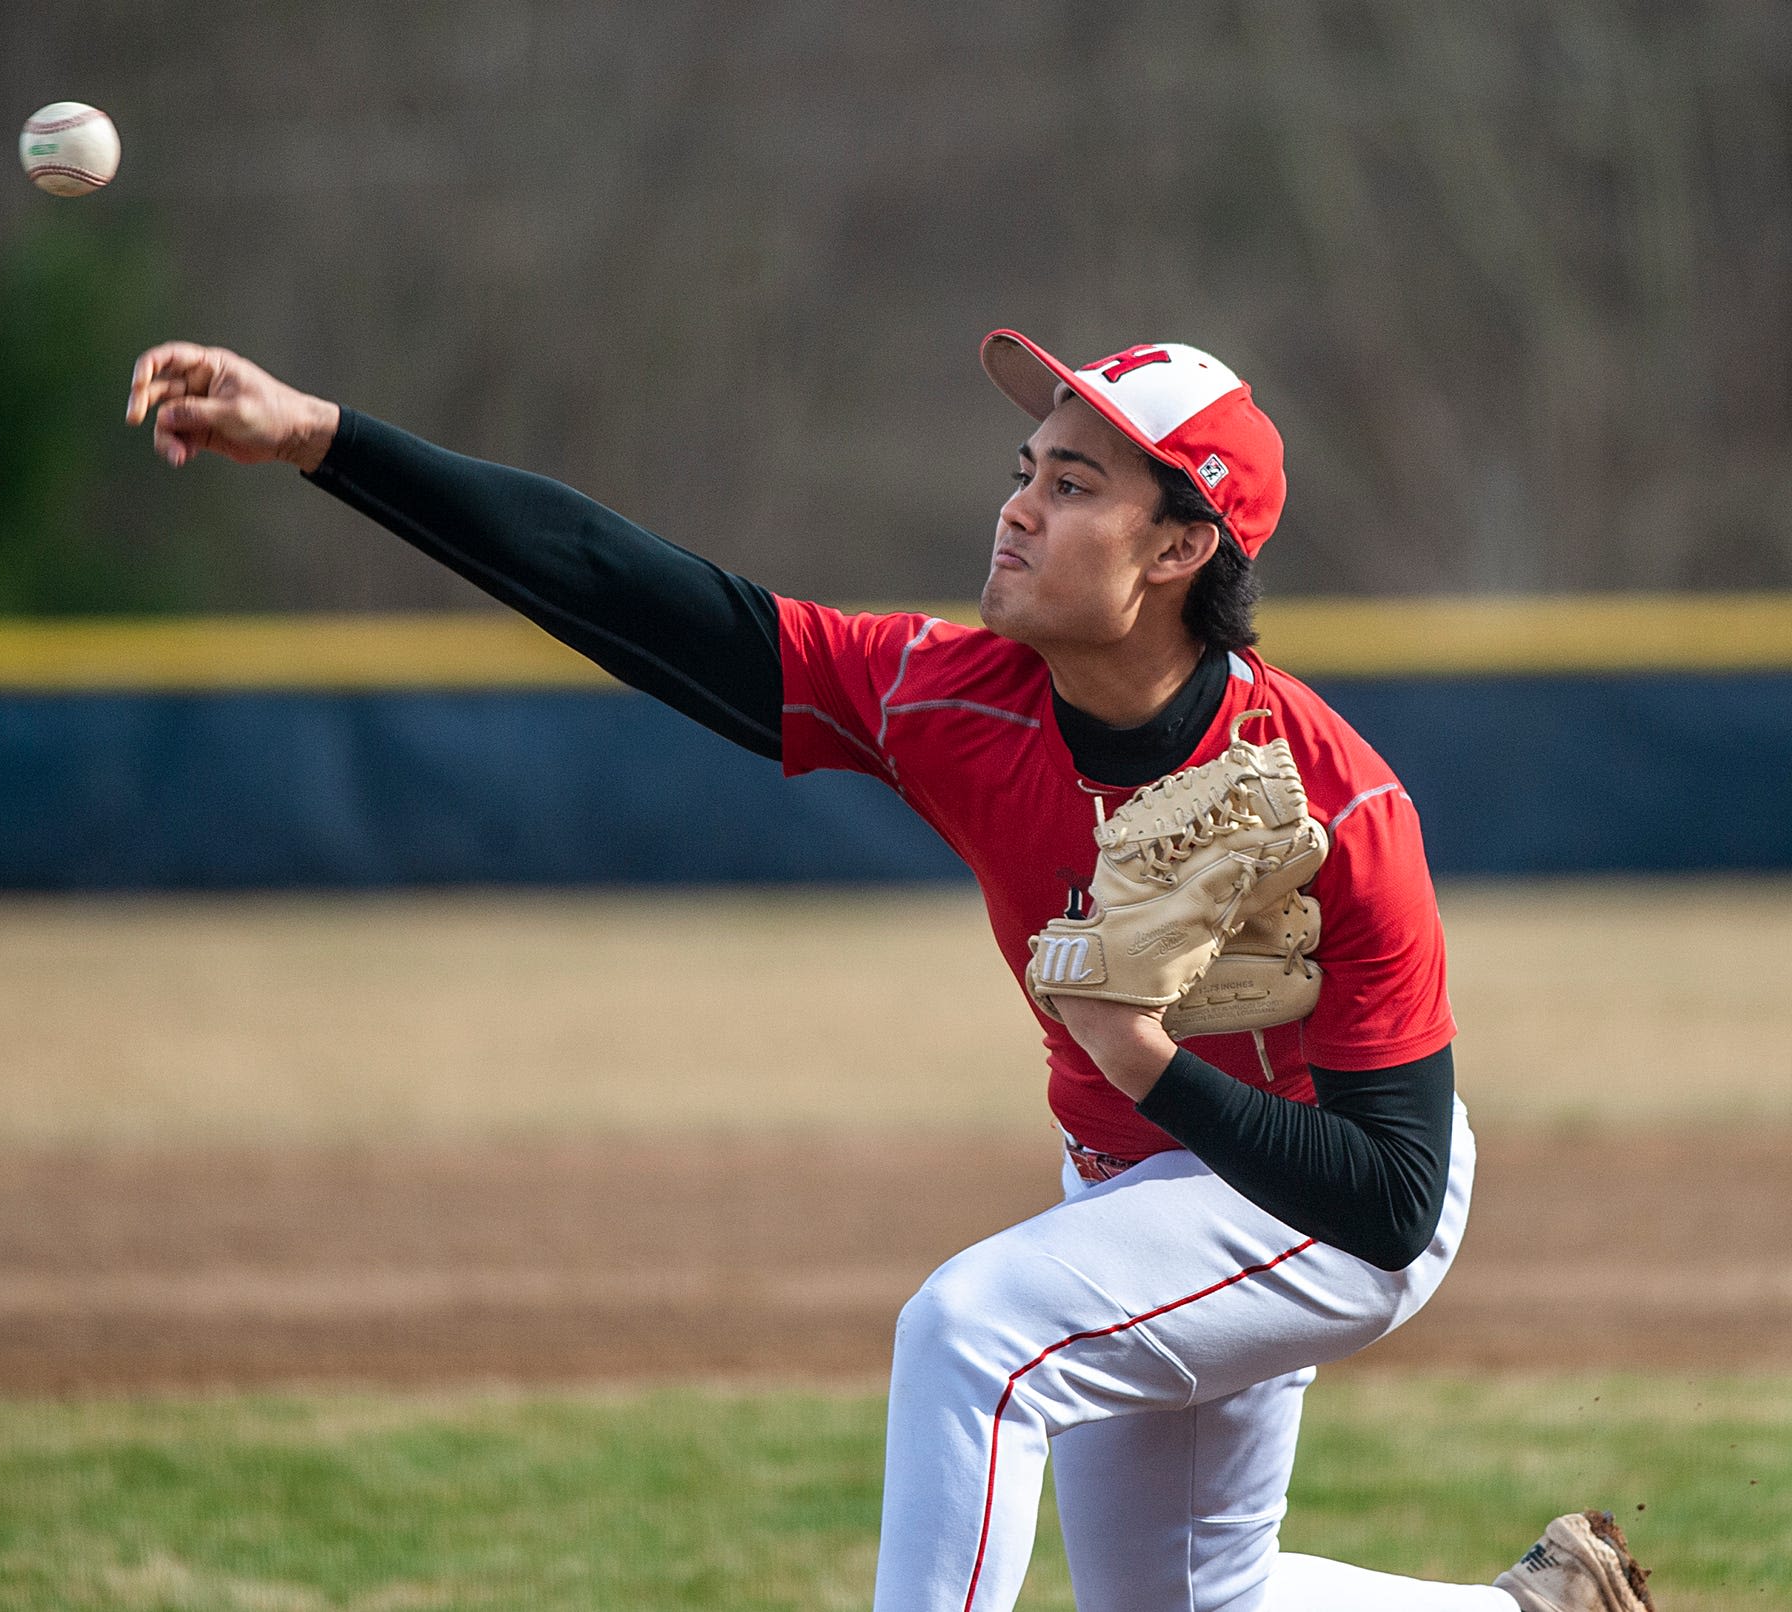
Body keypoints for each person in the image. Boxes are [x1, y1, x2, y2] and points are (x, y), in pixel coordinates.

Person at [126, 335, 1656, 1612]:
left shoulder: (1331, 803)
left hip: (1333, 1190)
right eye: (1024, 470)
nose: (1019, 508)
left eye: (1076, 485)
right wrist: (325, 439)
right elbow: (635, 588)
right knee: (1197, 1602)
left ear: (1184, 547)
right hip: (1139, 1179)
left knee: (974, 1337)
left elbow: (1389, 1208)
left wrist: (1148, 1066)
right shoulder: (952, 695)